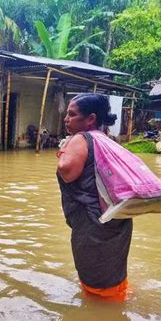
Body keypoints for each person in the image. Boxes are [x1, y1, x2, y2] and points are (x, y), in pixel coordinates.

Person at [56, 93, 132, 301]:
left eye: (72, 114)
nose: (66, 119)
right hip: (117, 219)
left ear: (90, 119)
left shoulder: (82, 138)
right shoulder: (107, 139)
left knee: (95, 279)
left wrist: (64, 151)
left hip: (93, 224)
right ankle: (117, 306)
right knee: (113, 271)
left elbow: (67, 171)